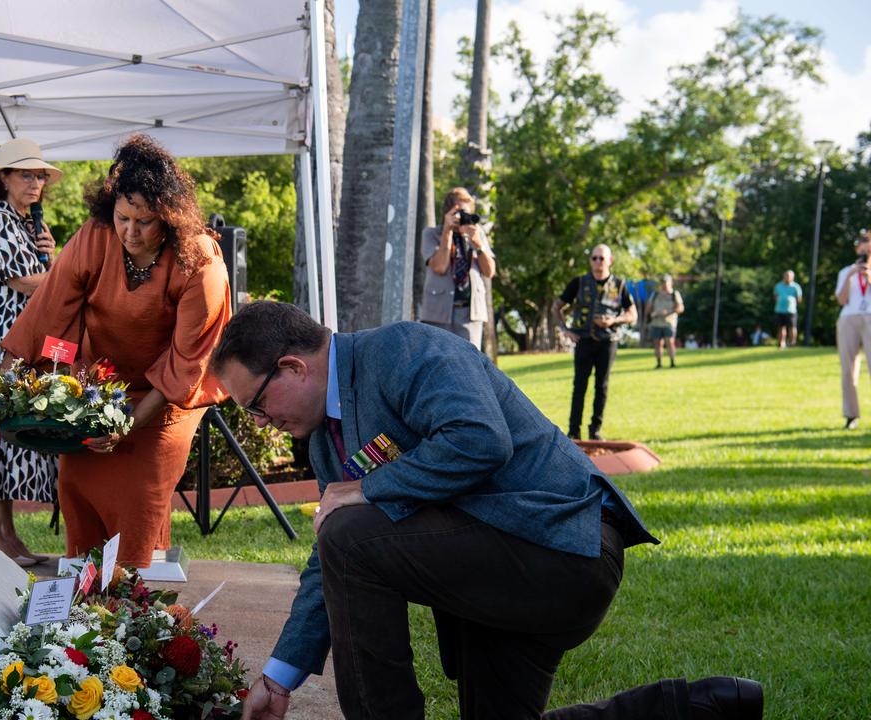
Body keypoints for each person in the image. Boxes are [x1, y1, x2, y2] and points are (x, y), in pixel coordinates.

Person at [213, 301, 763, 720]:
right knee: (346, 537)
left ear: (293, 367)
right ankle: (704, 704)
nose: (259, 423)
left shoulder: (403, 350)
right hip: (493, 578)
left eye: (256, 405)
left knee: (352, 533)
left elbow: (480, 438)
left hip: (562, 548)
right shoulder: (322, 441)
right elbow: (330, 558)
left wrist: (371, 489)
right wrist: (280, 676)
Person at [1, 134, 230, 567]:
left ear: (170, 217)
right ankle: (87, 612)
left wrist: (127, 425)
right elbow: (47, 311)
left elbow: (186, 364)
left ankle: (132, 604)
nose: (130, 231)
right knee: (75, 484)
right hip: (100, 388)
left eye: (144, 221)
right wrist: (6, 386)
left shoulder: (200, 261)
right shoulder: (96, 235)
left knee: (140, 489)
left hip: (168, 398)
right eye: (123, 218)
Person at [0, 137, 61, 567]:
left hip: (21, 342)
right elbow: (22, 282)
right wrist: (67, 272)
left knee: (6, 439)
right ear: (4, 179)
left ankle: (8, 536)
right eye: (26, 174)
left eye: (40, 175)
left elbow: (40, 277)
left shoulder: (28, 223)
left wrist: (53, 259)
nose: (35, 183)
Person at [552, 245, 636, 440]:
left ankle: (595, 430)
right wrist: (566, 330)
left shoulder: (619, 285)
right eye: (594, 258)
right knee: (579, 385)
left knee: (602, 385)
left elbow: (633, 314)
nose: (598, 262)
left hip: (608, 342)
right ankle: (574, 430)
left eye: (602, 258)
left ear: (610, 260)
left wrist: (614, 320)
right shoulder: (579, 283)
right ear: (590, 260)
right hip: (584, 341)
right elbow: (556, 307)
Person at [419, 187, 496, 349]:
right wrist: (447, 231)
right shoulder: (431, 234)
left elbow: (489, 271)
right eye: (459, 213)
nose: (463, 218)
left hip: (470, 314)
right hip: (438, 314)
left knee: (468, 365)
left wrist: (478, 245)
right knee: (437, 364)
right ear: (447, 213)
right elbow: (439, 267)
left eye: (467, 213)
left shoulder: (477, 234)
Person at [835, 232, 871, 430]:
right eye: (863, 249)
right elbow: (841, 300)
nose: (866, 253)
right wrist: (851, 276)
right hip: (848, 318)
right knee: (848, 369)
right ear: (857, 250)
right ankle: (851, 415)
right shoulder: (845, 272)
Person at [646, 273, 683, 368]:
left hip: (669, 323)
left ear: (671, 283)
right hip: (656, 323)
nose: (664, 284)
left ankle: (672, 362)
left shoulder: (674, 294)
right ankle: (659, 363)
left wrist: (668, 312)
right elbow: (648, 309)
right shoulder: (655, 294)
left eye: (666, 282)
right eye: (663, 282)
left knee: (670, 342)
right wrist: (653, 313)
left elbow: (680, 308)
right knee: (657, 343)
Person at [773, 270, 802, 349]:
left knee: (792, 327)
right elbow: (775, 296)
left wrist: (791, 302)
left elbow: (799, 299)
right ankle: (781, 343)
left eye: (789, 276)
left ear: (793, 277)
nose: (787, 278)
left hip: (791, 310)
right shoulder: (778, 286)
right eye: (786, 276)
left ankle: (793, 343)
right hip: (779, 310)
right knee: (781, 327)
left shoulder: (796, 286)